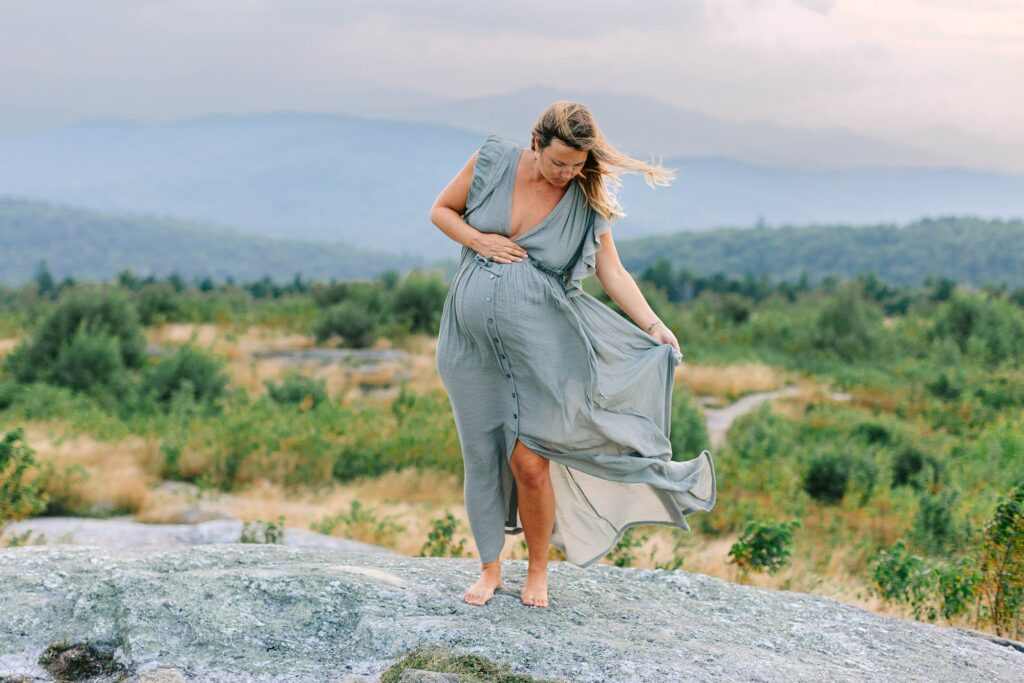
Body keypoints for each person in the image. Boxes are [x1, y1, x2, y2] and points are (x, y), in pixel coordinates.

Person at [429, 101, 716, 609]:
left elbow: (613, 273)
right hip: (471, 348)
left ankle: (537, 570)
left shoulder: (585, 199)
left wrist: (653, 324)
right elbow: (441, 210)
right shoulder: (493, 160)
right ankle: (490, 568)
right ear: (535, 143)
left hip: (544, 351)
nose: (566, 174)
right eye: (559, 162)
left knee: (530, 462)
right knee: (481, 455)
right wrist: (479, 240)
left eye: (577, 166)